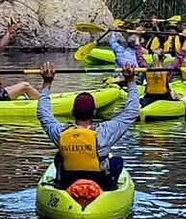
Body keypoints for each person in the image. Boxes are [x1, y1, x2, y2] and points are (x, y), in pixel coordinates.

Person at [37, 62, 140, 190]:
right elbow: (132, 111)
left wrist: (47, 83)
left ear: (73, 112)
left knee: (59, 157)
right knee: (117, 161)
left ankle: (61, 186)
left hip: (68, 183)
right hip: (100, 183)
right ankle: (107, 191)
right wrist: (130, 80)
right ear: (94, 112)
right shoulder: (105, 132)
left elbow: (43, 114)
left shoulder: (60, 133)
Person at [139, 28, 186, 106]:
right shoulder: (168, 70)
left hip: (147, 99)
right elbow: (181, 55)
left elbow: (138, 56)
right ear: (163, 58)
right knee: (177, 95)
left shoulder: (146, 69)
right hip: (164, 99)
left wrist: (137, 36)